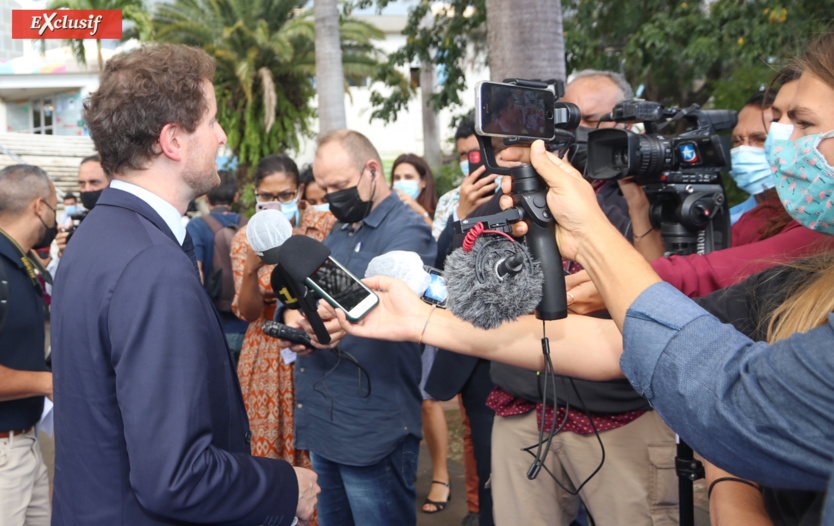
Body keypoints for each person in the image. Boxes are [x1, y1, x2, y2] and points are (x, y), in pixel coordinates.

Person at [329, 29, 834, 524]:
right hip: (522, 406)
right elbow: (614, 341)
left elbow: (720, 377)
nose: (784, 145)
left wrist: (730, 480)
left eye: (803, 125)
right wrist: (421, 320)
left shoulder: (656, 202)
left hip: (620, 422)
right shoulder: (527, 193)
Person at [50, 43, 319, 525]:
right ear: (173, 141)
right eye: (213, 121)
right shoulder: (151, 263)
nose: (221, 136)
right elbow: (175, 478)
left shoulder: (100, 235)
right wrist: (284, 486)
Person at [283, 129, 436, 526]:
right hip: (325, 419)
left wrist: (339, 324)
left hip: (373, 426)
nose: (333, 197)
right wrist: (308, 323)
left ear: (372, 170)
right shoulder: (339, 229)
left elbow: (391, 306)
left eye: (340, 186)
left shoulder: (406, 231)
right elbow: (324, 299)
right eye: (325, 187)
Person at [232, 154, 335, 467]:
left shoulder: (325, 226)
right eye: (267, 196)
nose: (276, 203)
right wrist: (251, 269)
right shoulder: (246, 238)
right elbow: (249, 313)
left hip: (320, 345)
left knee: (320, 455)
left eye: (286, 195)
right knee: (267, 452)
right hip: (267, 353)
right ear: (256, 195)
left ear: (300, 191)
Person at [0, 164, 55, 526]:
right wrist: (51, 383)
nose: (56, 214)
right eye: (54, 204)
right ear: (39, 206)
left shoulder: (20, 260)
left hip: (26, 441)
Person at [185, 169, 249, 364]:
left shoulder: (197, 226)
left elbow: (197, 274)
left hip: (216, 327)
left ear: (206, 198)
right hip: (249, 328)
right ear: (236, 197)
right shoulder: (249, 225)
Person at [432, 115, 500, 240]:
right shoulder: (447, 201)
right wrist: (460, 214)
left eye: (476, 152)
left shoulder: (509, 188)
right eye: (463, 154)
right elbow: (438, 254)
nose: (470, 160)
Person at [390, 153, 438, 227]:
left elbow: (440, 237)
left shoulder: (440, 213)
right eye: (397, 178)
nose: (402, 182)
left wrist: (422, 213)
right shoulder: (387, 213)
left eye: (408, 177)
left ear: (423, 181)